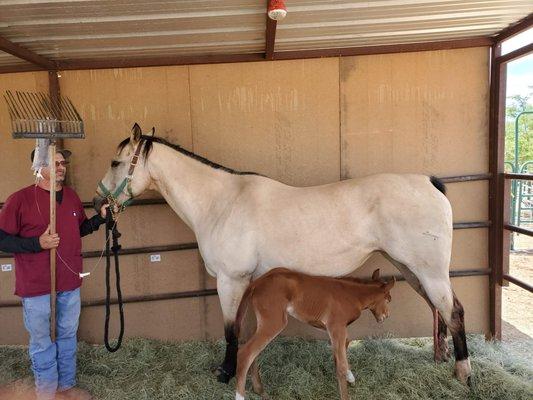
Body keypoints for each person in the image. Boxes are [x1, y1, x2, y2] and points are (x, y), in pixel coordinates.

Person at [0, 149, 109, 400]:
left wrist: (100, 219)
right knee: (42, 342)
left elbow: (77, 229)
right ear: (39, 167)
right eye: (55, 163)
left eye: (63, 163)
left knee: (68, 336)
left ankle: (66, 389)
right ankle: (47, 394)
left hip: (69, 281)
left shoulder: (70, 197)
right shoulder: (20, 199)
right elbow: (3, 239)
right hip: (37, 284)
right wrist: (38, 243)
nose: (62, 167)